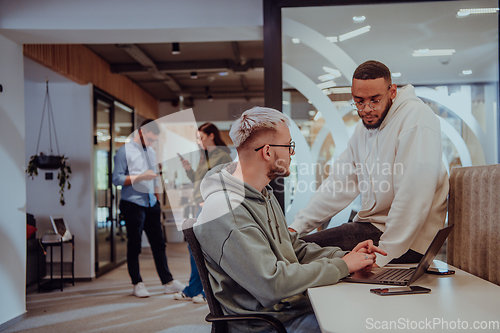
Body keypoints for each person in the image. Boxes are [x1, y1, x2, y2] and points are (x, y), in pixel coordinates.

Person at [193, 107, 386, 333]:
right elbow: (272, 284)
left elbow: (293, 249)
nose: (291, 153)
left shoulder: (262, 195)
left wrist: (349, 257)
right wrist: (342, 266)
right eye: (289, 146)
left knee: (367, 311)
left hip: (289, 310)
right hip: (267, 323)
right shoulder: (226, 211)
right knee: (359, 325)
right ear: (267, 151)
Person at [289, 60, 449, 267]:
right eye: (359, 101)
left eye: (375, 100)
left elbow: (414, 193)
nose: (366, 109)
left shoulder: (416, 118)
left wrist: (383, 255)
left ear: (392, 91)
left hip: (410, 242)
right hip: (374, 229)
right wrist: (296, 227)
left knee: (299, 254)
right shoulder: (363, 130)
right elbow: (338, 184)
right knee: (298, 248)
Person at [112, 119, 185, 298]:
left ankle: (167, 282)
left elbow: (154, 177)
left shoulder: (151, 152)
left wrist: (157, 197)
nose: (152, 143)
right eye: (150, 139)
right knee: (135, 245)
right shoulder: (124, 152)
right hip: (132, 203)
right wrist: (140, 177)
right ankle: (137, 283)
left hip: (151, 203)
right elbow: (116, 179)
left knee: (159, 244)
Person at [174, 122, 232, 304]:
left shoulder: (221, 155)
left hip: (210, 205)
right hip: (201, 205)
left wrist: (212, 199)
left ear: (211, 135)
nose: (199, 141)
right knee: (195, 247)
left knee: (205, 248)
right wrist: (188, 170)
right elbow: (199, 181)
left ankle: (206, 292)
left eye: (201, 137)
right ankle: (195, 289)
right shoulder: (204, 156)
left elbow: (223, 181)